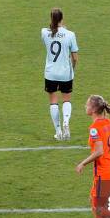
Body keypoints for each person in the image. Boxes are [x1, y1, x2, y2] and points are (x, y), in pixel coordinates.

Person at [41, 8, 78, 141]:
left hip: (50, 73)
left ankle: (58, 132)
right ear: (62, 18)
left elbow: (50, 36)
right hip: (65, 73)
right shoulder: (70, 34)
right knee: (66, 100)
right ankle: (66, 123)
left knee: (53, 102)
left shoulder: (44, 32)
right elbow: (75, 58)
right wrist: (72, 69)